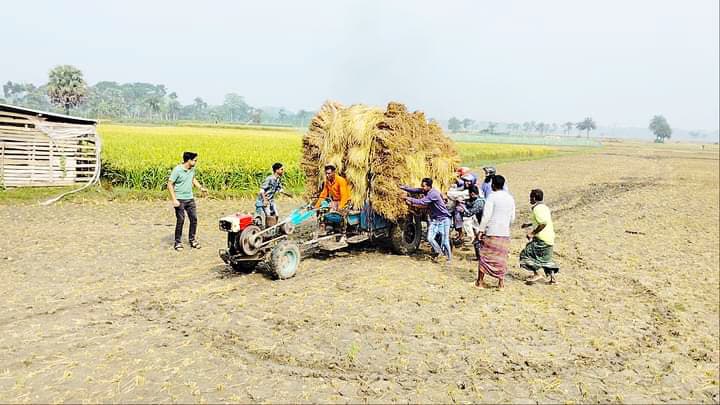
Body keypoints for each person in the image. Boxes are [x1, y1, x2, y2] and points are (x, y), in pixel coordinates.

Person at [475, 175, 515, 288]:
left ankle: (480, 282)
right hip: (504, 232)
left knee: (485, 256)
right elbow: (512, 218)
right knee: (501, 258)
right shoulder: (510, 198)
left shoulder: (492, 197)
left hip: (492, 231)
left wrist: (481, 230)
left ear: (493, 185)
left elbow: (486, 216)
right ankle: (500, 283)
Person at [401, 178, 452, 263]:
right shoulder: (426, 191)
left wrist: (407, 198)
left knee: (445, 241)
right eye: (422, 185)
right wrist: (403, 187)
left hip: (444, 220)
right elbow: (415, 190)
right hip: (435, 220)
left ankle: (449, 259)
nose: (422, 187)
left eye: (424, 186)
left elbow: (422, 202)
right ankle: (440, 253)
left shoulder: (433, 194)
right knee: (430, 238)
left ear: (429, 186)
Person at [168, 151, 207, 251]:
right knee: (181, 220)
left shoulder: (191, 169)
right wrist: (174, 199)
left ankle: (192, 240)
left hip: (190, 199)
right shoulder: (177, 170)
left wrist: (200, 188)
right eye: (195, 160)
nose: (196, 162)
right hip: (179, 199)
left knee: (194, 219)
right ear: (189, 160)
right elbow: (170, 184)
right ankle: (177, 242)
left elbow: (193, 179)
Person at [520, 189, 559, 284]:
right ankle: (552, 278)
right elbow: (542, 220)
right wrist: (528, 224)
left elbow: (543, 223)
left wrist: (532, 233)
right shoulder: (545, 207)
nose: (529, 199)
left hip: (541, 239)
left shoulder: (537, 209)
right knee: (546, 259)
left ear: (534, 198)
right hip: (549, 238)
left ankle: (536, 273)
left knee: (525, 255)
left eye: (530, 197)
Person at [255, 162, 291, 228]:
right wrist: (265, 200)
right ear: (277, 170)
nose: (283, 171)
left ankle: (274, 229)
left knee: (276, 215)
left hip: (271, 200)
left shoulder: (278, 179)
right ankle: (268, 230)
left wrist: (287, 194)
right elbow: (262, 190)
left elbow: (279, 189)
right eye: (281, 169)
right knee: (269, 217)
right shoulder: (269, 179)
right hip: (264, 200)